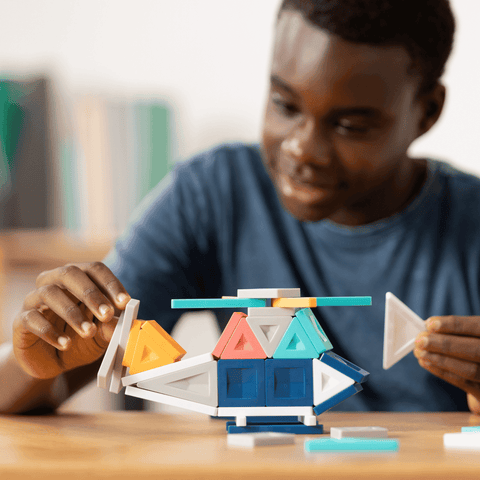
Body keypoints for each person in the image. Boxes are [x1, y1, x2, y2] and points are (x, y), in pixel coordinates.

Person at [2, 0, 479, 415]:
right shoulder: (212, 192)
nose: (303, 149)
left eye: (351, 125)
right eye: (284, 104)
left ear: (427, 111)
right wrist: (33, 365)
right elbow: (69, 368)